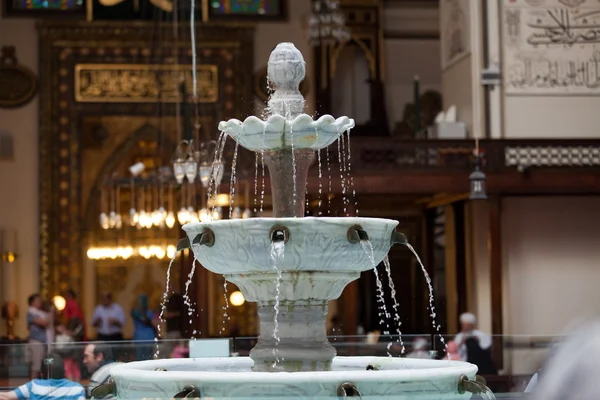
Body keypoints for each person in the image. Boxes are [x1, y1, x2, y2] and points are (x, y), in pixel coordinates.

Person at [0, 353, 85, 400]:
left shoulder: (33, 386)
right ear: (65, 372)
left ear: (41, 374)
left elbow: (5, 397)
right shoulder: (77, 389)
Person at [26, 294, 50, 379]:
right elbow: (44, 323)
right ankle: (33, 386)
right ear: (32, 302)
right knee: (36, 366)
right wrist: (45, 320)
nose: (39, 302)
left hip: (42, 342)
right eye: (37, 301)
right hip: (36, 341)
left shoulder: (40, 313)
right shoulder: (31, 312)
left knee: (41, 365)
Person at [131, 294, 157, 361]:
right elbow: (144, 320)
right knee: (140, 359)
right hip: (140, 338)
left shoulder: (149, 312)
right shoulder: (135, 312)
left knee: (149, 358)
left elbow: (153, 323)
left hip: (149, 338)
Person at [161, 293, 183, 358]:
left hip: (173, 332)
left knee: (169, 351)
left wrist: (165, 315)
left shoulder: (176, 300)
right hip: (175, 331)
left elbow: (171, 314)